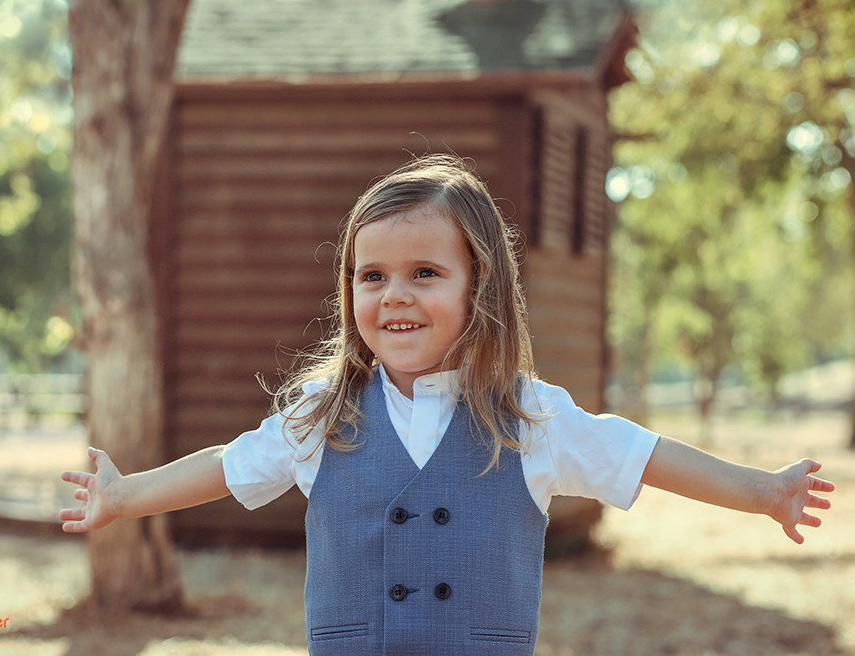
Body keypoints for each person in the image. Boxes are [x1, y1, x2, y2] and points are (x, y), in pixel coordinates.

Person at [60, 154, 835, 654]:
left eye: (425, 272)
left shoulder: (529, 416)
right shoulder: (322, 413)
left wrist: (762, 490)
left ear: (480, 286)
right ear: (350, 288)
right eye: (373, 276)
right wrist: (126, 496)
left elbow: (641, 454)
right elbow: (228, 468)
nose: (396, 294)